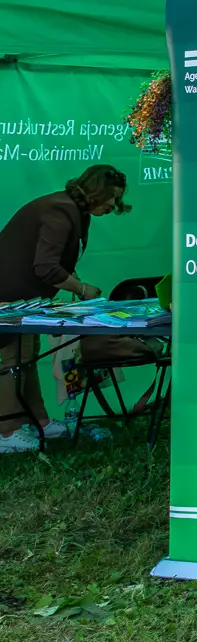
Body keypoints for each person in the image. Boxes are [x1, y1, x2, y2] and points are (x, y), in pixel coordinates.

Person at [0, 165, 130, 453]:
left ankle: (39, 422)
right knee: (13, 360)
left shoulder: (74, 210)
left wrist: (74, 282)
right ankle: (6, 432)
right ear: (95, 192)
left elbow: (57, 262)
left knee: (26, 356)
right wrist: (82, 289)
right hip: (7, 295)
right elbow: (46, 267)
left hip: (21, 296)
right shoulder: (60, 211)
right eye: (112, 197)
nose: (114, 205)